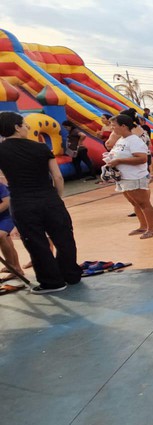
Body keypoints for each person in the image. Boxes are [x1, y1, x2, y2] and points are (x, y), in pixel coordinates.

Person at [0, 112, 82, 294]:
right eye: (24, 124)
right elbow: (58, 177)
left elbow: (2, 178)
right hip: (49, 199)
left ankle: (52, 282)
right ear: (16, 127)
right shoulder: (41, 147)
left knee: (36, 243)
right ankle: (71, 275)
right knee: (64, 238)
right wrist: (56, 198)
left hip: (22, 203)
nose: (27, 127)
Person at [106, 114, 153, 237]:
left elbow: (142, 158)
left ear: (123, 126)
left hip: (135, 177)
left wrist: (119, 161)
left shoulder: (134, 141)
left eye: (114, 125)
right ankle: (143, 226)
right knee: (135, 203)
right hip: (124, 177)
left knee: (143, 203)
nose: (112, 128)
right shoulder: (121, 140)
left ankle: (151, 229)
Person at [0, 181, 23, 280]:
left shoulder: (0, 186)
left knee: (1, 235)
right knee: (7, 241)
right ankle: (17, 270)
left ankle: (10, 264)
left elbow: (7, 202)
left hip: (7, 215)